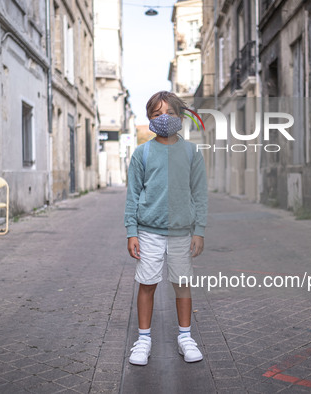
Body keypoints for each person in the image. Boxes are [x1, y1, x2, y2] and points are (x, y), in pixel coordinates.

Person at [124, 91, 208, 366]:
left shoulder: (192, 152)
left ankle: (185, 337)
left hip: (182, 233)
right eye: (156, 114)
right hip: (149, 232)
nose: (163, 119)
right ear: (149, 118)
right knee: (147, 284)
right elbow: (133, 195)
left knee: (182, 284)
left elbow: (200, 193)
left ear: (180, 116)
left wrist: (200, 229)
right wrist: (131, 231)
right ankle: (144, 339)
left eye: (169, 113)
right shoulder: (142, 152)